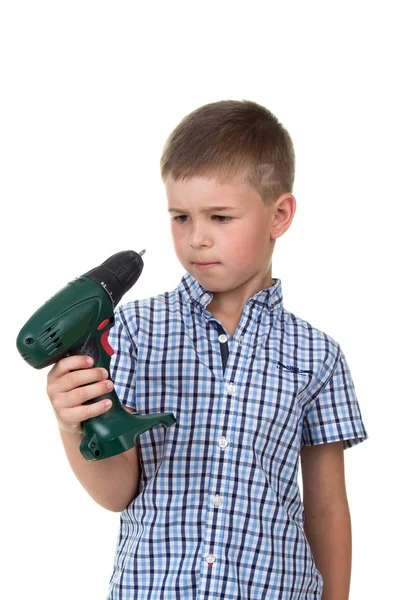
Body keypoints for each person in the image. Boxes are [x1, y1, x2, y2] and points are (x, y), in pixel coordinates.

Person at [46, 99, 369, 600]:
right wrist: (73, 427)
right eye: (180, 216)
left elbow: (326, 509)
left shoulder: (317, 356)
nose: (196, 239)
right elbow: (116, 494)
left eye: (220, 217)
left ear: (278, 215)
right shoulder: (130, 332)